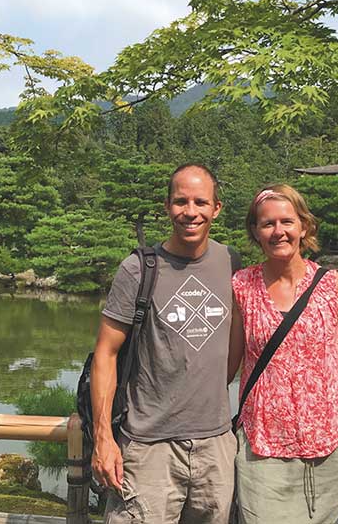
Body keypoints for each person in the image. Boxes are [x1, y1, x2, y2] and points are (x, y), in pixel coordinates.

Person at [91, 164, 241, 524]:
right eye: (181, 201)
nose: (191, 212)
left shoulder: (230, 261)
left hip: (215, 444)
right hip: (148, 446)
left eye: (201, 202)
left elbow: (238, 339)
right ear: (166, 206)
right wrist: (104, 439)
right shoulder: (138, 269)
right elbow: (105, 354)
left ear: (217, 208)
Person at [228, 183, 338, 524]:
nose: (278, 231)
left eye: (287, 222)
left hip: (330, 444)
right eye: (267, 224)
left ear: (304, 226)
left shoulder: (337, 287)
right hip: (263, 446)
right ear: (256, 232)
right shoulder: (241, 287)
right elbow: (226, 368)